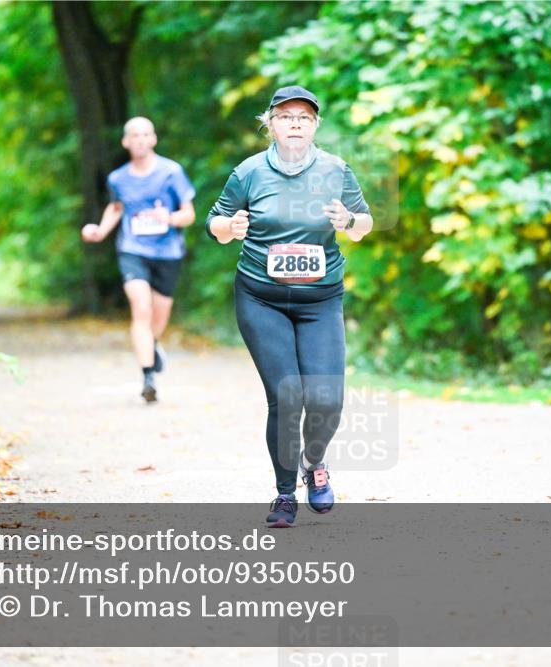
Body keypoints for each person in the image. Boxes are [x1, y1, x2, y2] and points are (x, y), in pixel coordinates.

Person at [206, 86, 374, 526]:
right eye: (285, 116)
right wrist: (231, 226)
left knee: (328, 399)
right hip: (261, 296)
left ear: (315, 125)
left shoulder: (337, 170)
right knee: (288, 395)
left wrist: (350, 222)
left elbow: (365, 221)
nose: (295, 123)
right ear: (271, 124)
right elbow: (215, 222)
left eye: (304, 117)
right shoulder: (248, 172)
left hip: (320, 300)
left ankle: (314, 464)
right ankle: (284, 495)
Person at [82, 117, 196, 404]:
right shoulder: (117, 178)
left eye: (146, 134)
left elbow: (189, 214)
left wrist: (168, 218)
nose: (141, 140)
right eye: (135, 135)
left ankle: (152, 345)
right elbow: (116, 208)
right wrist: (100, 230)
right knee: (141, 309)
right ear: (126, 142)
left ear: (154, 139)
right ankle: (148, 377)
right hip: (133, 250)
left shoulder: (172, 172)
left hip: (168, 252)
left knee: (158, 317)